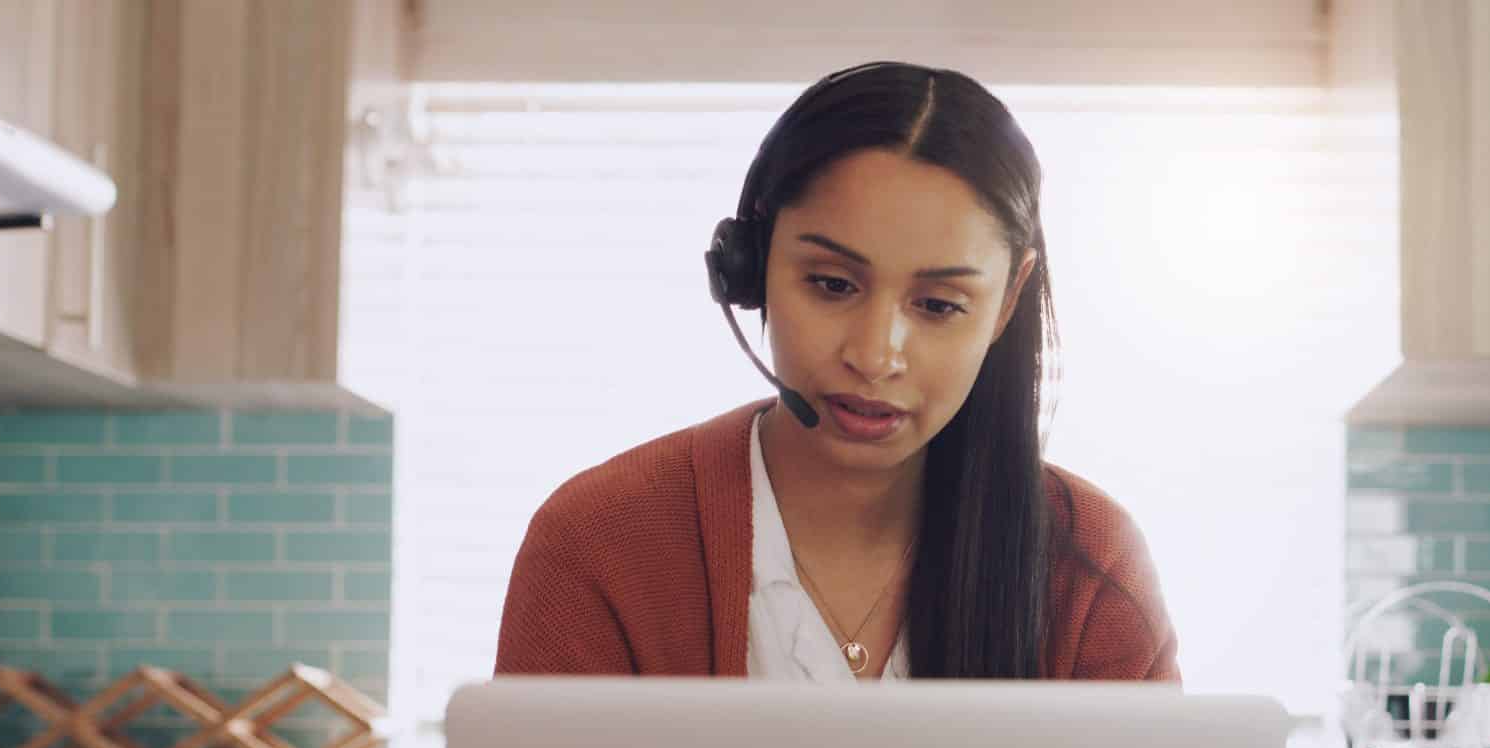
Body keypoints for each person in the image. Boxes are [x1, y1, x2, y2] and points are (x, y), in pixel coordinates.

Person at [495, 61, 1178, 684]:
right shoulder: (599, 543)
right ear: (752, 267)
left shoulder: (1092, 567)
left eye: (939, 305)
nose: (876, 354)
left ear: (1006, 304)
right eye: (831, 284)